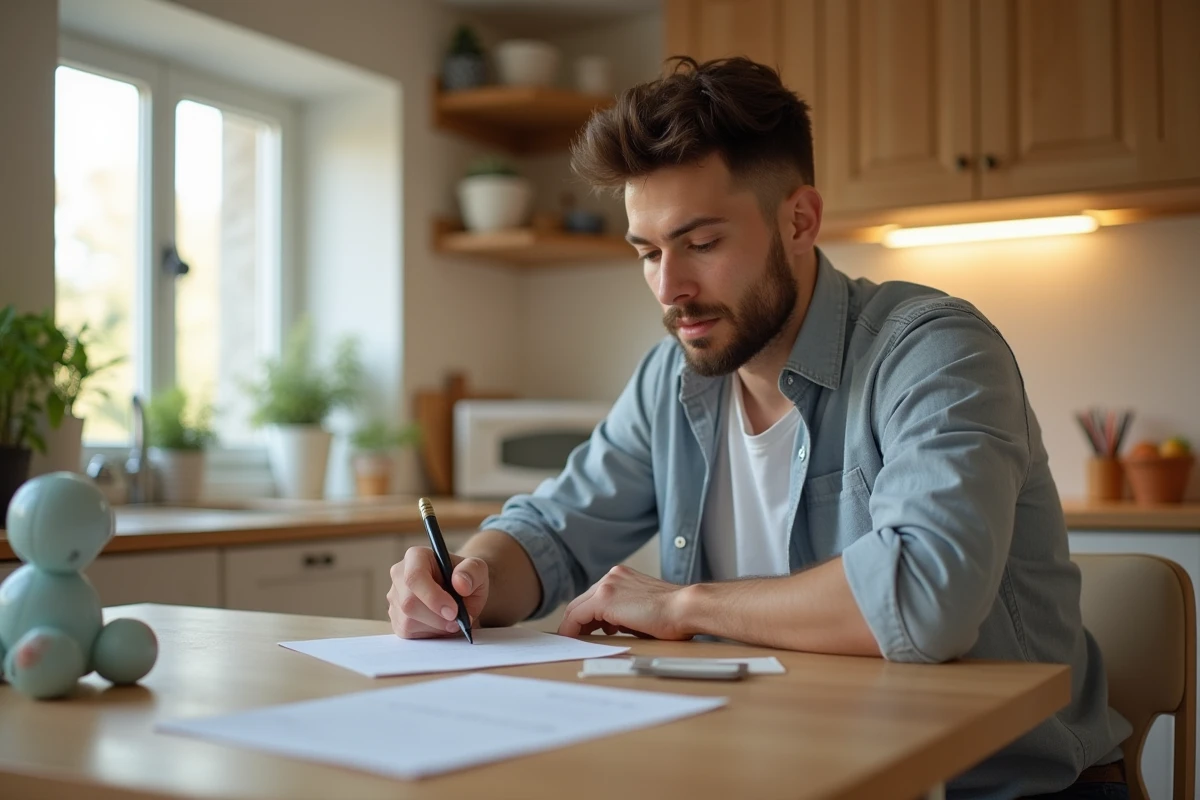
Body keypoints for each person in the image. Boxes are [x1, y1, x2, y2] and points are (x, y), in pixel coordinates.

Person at [387, 57, 1131, 798]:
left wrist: (681, 607)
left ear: (800, 220)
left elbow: (921, 596)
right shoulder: (668, 381)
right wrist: (468, 578)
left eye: (701, 244)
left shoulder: (934, 350)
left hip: (1002, 789)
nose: (670, 288)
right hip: (772, 771)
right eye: (648, 253)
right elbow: (549, 532)